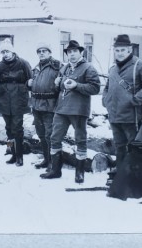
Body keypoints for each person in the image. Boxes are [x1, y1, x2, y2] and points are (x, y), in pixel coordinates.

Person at [41, 40, 100, 182]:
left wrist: (77, 85)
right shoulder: (65, 68)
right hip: (61, 109)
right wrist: (57, 85)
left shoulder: (88, 68)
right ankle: (55, 170)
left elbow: (95, 88)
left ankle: (79, 173)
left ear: (81, 52)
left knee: (80, 140)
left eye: (74, 51)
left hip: (78, 110)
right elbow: (61, 87)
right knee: (54, 138)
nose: (72, 54)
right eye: (69, 52)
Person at [102, 34, 142, 185]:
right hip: (114, 116)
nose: (119, 53)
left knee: (134, 147)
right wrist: (105, 100)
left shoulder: (141, 66)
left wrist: (134, 100)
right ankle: (121, 176)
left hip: (132, 116)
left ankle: (135, 179)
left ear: (130, 49)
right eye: (117, 50)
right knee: (119, 147)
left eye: (123, 50)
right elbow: (107, 88)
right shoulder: (113, 69)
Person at [0, 39, 32, 167]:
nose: (5, 54)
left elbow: (30, 81)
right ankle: (12, 152)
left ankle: (20, 156)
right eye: (3, 52)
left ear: (13, 51)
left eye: (7, 51)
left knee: (17, 128)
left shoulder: (23, 63)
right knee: (8, 128)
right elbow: (0, 82)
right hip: (5, 99)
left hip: (18, 100)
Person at [27, 42, 61, 170]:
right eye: (39, 51)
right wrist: (28, 83)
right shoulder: (36, 68)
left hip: (50, 106)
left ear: (49, 52)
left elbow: (61, 84)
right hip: (36, 106)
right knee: (41, 134)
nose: (41, 53)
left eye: (44, 51)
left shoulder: (57, 66)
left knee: (50, 135)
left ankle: (53, 163)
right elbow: (32, 83)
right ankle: (46, 160)